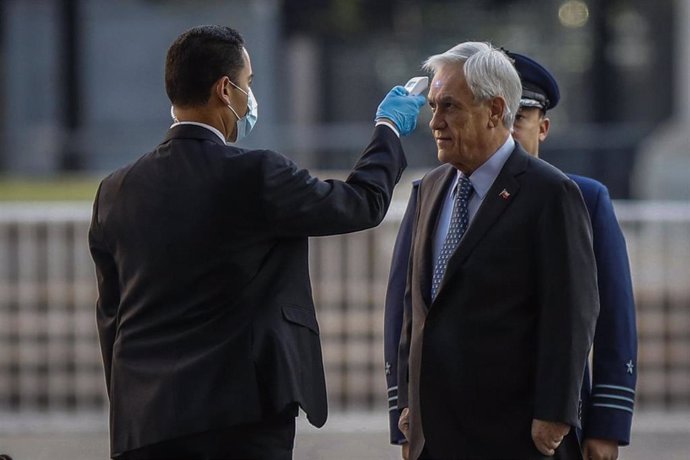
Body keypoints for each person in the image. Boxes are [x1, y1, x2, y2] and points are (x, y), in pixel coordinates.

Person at [88, 25, 425, 460]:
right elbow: (360, 203)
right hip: (239, 419)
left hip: (146, 421)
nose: (251, 95)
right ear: (225, 90)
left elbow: (111, 316)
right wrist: (388, 129)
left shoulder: (115, 189)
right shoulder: (256, 174)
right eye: (249, 83)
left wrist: (132, 403)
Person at [384, 50, 638, 460]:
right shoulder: (428, 189)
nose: (434, 123)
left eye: (449, 106)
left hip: (516, 436)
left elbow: (576, 311)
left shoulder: (554, 193)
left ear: (495, 111)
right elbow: (411, 309)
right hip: (436, 435)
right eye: (433, 107)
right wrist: (406, 404)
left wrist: (563, 413)